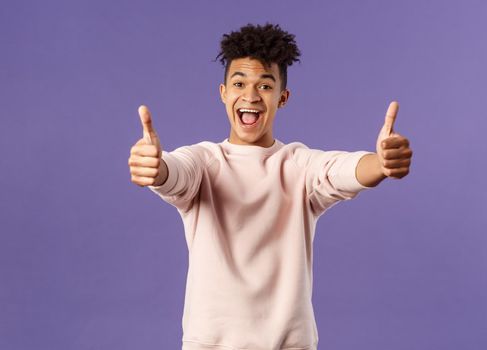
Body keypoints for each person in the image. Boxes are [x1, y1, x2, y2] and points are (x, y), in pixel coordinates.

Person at [128, 23, 412, 350]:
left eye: (264, 85)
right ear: (223, 93)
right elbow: (175, 173)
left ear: (283, 97)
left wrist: (382, 163)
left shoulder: (299, 165)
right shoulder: (204, 161)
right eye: (239, 83)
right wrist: (155, 166)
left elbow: (343, 170)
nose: (250, 96)